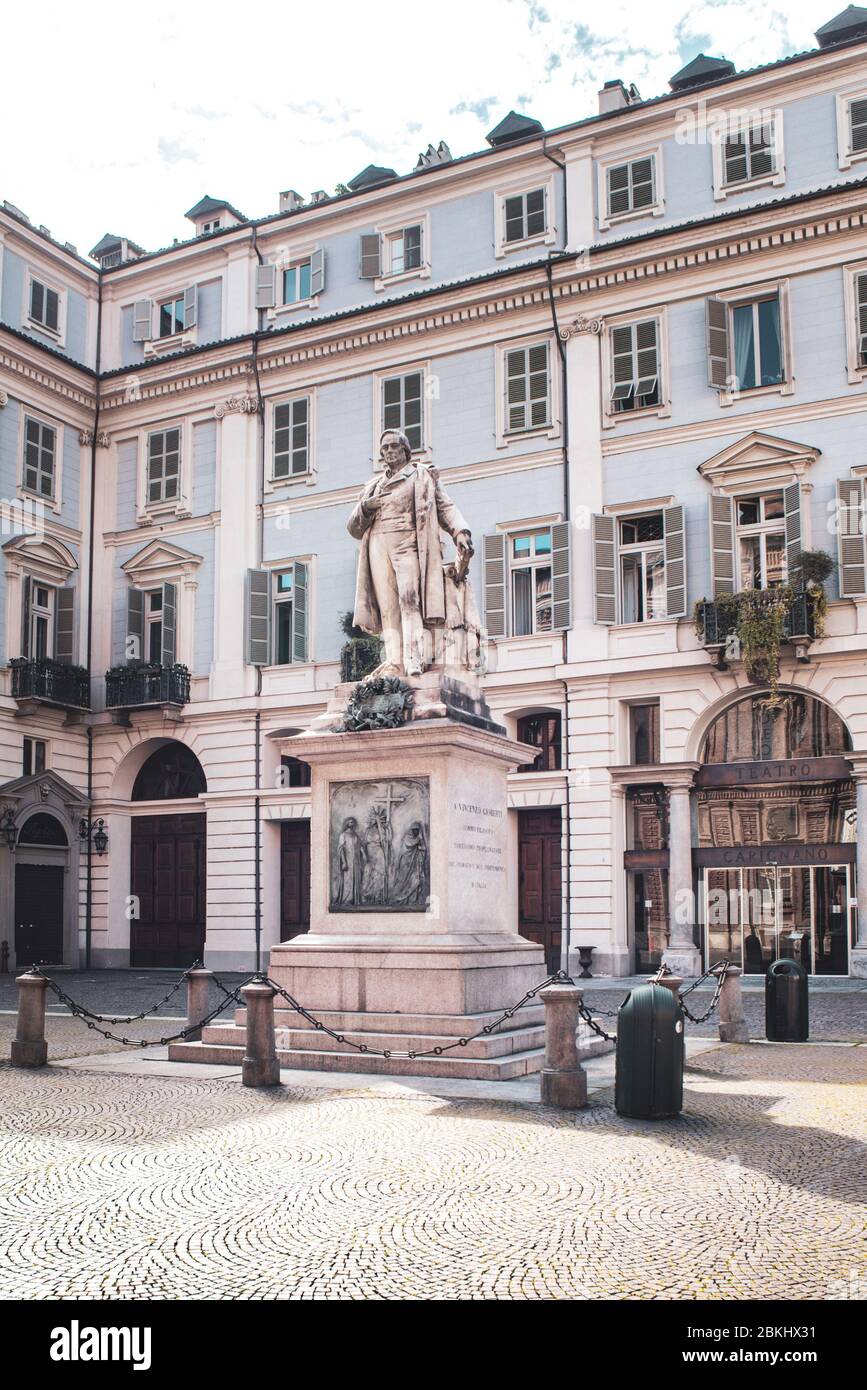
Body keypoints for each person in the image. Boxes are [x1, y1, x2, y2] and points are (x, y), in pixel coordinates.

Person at [347, 430, 474, 677]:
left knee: (409, 600)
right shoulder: (373, 487)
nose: (389, 451)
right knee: (388, 607)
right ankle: (395, 661)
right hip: (377, 546)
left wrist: (460, 531)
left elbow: (445, 506)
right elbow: (352, 527)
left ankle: (414, 658)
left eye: (395, 446)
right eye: (384, 448)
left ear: (406, 450)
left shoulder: (421, 475)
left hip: (409, 545)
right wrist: (365, 507)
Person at [333, 817, 367, 907]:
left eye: (353, 822)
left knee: (356, 878)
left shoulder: (355, 835)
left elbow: (360, 846)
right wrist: (344, 862)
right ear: (347, 823)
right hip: (348, 860)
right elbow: (340, 849)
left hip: (356, 860)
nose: (352, 824)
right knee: (348, 879)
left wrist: (364, 854)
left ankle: (355, 898)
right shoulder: (343, 835)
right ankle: (347, 899)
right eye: (350, 822)